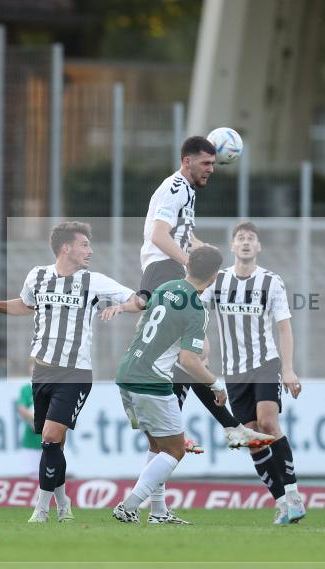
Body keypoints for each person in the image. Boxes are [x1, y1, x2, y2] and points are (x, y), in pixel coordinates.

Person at [0, 221, 136, 524]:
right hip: (42, 371)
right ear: (66, 248)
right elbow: (26, 305)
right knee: (54, 444)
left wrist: (124, 307)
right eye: (84, 245)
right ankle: (63, 502)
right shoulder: (38, 275)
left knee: (49, 437)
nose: (90, 250)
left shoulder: (93, 281)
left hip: (75, 373)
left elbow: (136, 298)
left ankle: (41, 509)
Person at [136, 135, 273, 452]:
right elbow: (159, 236)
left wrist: (201, 248)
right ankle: (213, 427)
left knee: (192, 354)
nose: (212, 168)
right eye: (206, 163)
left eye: (214, 163)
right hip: (165, 271)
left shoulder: (185, 190)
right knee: (193, 353)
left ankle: (186, 428)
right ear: (187, 161)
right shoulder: (176, 188)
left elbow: (179, 233)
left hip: (167, 271)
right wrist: (190, 263)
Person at [110, 246, 227, 525]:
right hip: (151, 381)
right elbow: (189, 360)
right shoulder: (197, 309)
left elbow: (141, 325)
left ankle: (159, 512)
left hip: (127, 373)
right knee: (175, 450)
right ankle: (129, 505)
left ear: (187, 266)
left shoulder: (166, 288)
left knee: (158, 445)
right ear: (214, 276)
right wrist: (216, 384)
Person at [200, 222, 306, 525]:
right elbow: (197, 313)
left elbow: (284, 327)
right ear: (233, 246)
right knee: (251, 437)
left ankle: (294, 494)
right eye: (240, 238)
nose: (246, 242)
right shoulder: (218, 281)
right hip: (234, 371)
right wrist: (201, 350)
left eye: (251, 238)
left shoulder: (271, 282)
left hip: (265, 363)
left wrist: (288, 368)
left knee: (268, 423)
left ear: (258, 247)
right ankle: (282, 503)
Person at [16, 360, 42, 479]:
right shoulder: (26, 389)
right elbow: (21, 407)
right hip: (32, 435)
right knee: (34, 473)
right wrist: (34, 418)